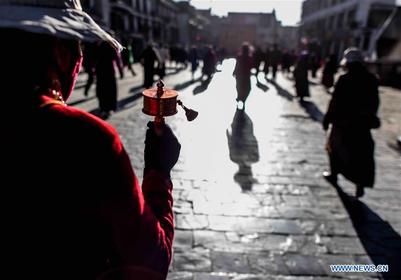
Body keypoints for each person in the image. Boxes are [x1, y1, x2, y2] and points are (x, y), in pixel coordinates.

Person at [0, 1, 181, 279]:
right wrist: (159, 171)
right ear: (60, 53)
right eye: (77, 48)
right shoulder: (84, 138)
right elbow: (150, 261)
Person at [322, 48, 380, 198]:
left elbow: (335, 102)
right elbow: (374, 103)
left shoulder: (344, 79)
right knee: (361, 154)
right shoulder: (371, 79)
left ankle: (334, 175)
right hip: (362, 125)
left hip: (342, 123)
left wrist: (327, 118)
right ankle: (359, 184)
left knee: (333, 148)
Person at [233, 43, 253, 110]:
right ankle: (243, 99)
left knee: (239, 87)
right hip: (246, 75)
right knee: (247, 88)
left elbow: (237, 65)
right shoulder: (249, 57)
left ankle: (240, 98)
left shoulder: (240, 56)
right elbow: (251, 66)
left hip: (240, 75)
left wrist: (234, 72)